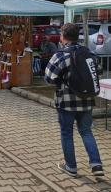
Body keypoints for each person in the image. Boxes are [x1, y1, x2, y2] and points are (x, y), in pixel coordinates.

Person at [45, 23, 104, 177]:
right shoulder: (89, 53)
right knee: (86, 131)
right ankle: (96, 164)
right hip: (87, 100)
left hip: (66, 102)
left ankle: (71, 167)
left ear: (62, 36)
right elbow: (98, 72)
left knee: (66, 133)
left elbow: (49, 78)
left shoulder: (60, 55)